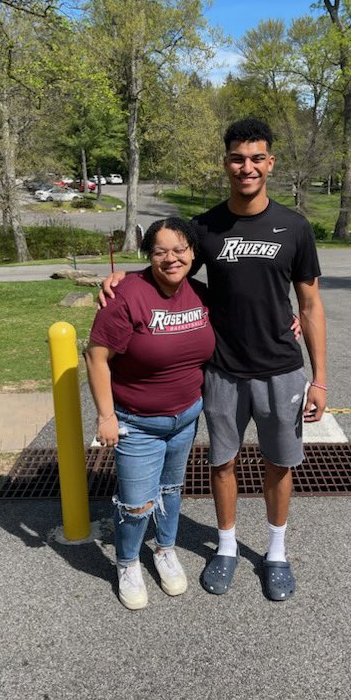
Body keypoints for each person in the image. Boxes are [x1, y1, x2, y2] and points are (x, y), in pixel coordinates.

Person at [101, 117, 327, 601]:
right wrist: (125, 281)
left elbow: (310, 305)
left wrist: (321, 378)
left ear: (270, 163)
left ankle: (276, 553)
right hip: (222, 370)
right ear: (226, 163)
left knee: (278, 464)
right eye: (237, 158)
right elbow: (172, 266)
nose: (247, 167)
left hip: (281, 368)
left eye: (256, 158)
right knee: (221, 461)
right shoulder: (205, 228)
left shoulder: (295, 227)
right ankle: (225, 548)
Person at [86, 217, 215, 610]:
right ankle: (126, 563)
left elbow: (247, 318)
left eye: (180, 250)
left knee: (171, 491)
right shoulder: (127, 295)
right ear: (149, 256)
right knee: (136, 502)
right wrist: (106, 416)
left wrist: (288, 322)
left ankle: (164, 550)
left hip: (186, 417)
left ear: (194, 253)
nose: (171, 259)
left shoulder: (203, 294)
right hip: (137, 421)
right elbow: (95, 355)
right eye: (160, 252)